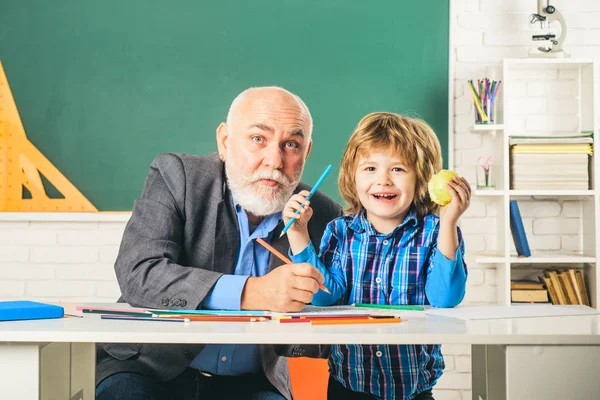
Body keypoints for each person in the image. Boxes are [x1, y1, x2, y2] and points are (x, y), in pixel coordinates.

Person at [95, 86, 343, 400]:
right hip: (150, 370)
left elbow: (325, 328)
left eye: (291, 144)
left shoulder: (322, 215)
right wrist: (254, 292)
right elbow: (139, 272)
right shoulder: (177, 176)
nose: (275, 160)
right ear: (225, 142)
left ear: (306, 153)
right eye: (258, 139)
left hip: (252, 384)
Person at [283, 112, 470, 400]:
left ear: (421, 178)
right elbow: (323, 296)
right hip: (348, 386)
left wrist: (449, 222)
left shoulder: (436, 231)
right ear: (352, 176)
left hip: (414, 390)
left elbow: (445, 299)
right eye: (370, 168)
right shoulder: (340, 231)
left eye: (398, 169)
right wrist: (298, 234)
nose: (383, 180)